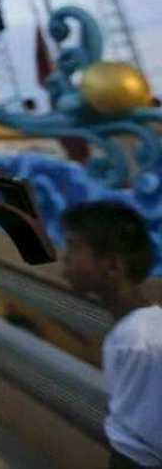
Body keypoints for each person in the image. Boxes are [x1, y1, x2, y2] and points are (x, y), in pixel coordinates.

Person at [61, 200, 162, 468]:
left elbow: (142, 445)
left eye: (74, 246)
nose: (65, 256)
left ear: (113, 267)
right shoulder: (137, 330)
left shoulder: (139, 341)